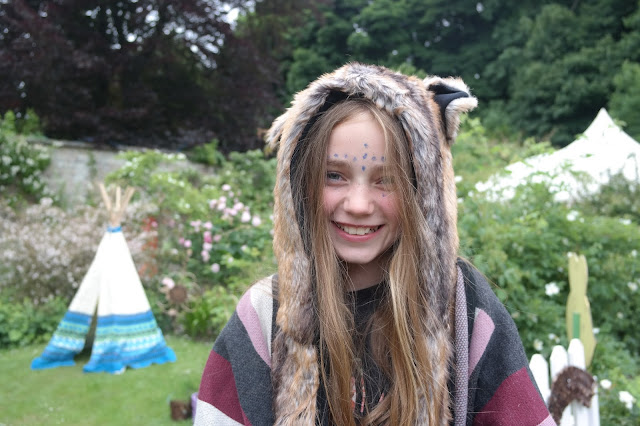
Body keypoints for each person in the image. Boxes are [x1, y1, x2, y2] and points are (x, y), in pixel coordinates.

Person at [195, 63, 555, 425]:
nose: (358, 205)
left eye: (387, 180)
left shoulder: (462, 308)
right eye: (334, 175)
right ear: (301, 184)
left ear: (422, 192)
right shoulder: (264, 316)